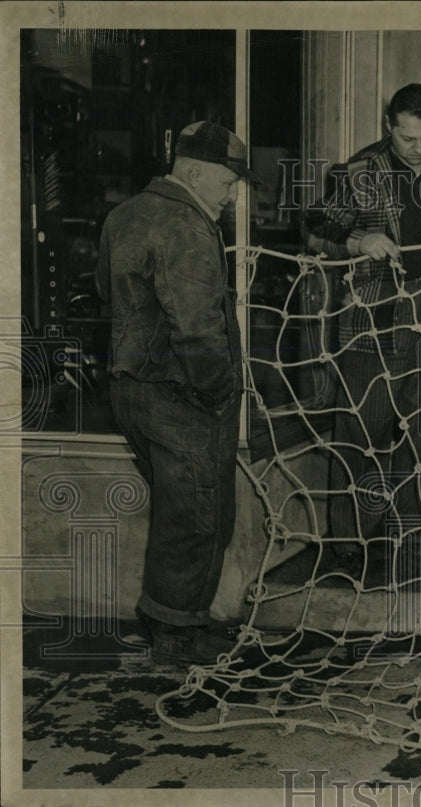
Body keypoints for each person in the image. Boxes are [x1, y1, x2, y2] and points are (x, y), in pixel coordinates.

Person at [97, 121, 260, 666]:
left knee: (179, 509)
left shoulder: (125, 213)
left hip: (131, 390)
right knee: (196, 515)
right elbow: (197, 329)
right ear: (193, 172)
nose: (231, 195)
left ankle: (184, 625)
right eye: (226, 182)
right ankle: (173, 642)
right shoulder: (187, 224)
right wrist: (218, 394)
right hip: (180, 394)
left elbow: (105, 293)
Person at [306, 83, 421, 550]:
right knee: (360, 433)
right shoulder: (357, 171)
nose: (419, 149)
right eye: (408, 138)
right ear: (390, 128)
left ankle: (414, 539)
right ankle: (350, 544)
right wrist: (357, 243)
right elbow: (313, 231)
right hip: (372, 316)